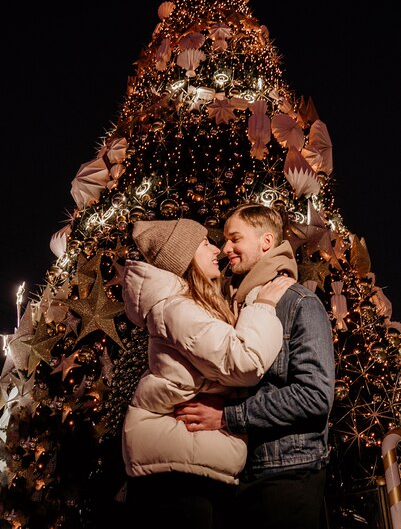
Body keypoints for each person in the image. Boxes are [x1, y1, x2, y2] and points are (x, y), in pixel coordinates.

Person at [119, 217, 295, 529]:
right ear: (184, 257)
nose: (217, 249)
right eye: (204, 244)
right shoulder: (176, 309)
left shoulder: (184, 305)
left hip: (187, 464)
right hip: (178, 476)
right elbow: (245, 361)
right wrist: (264, 306)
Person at [174, 204, 336, 529]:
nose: (225, 249)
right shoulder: (238, 306)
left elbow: (315, 395)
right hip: (244, 476)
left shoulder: (300, 303)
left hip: (288, 475)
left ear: (265, 242)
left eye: (235, 239)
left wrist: (227, 417)